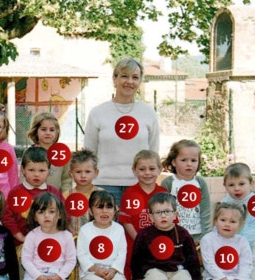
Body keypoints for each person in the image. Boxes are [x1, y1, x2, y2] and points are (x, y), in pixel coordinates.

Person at [83, 58, 160, 205]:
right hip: (105, 186)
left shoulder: (148, 112)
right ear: (114, 79)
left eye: (135, 77)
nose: (129, 81)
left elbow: (153, 153)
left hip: (140, 185)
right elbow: (89, 154)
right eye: (124, 76)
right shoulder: (98, 113)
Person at [1, 146, 66, 246]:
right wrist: (21, 237)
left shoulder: (54, 192)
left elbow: (65, 215)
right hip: (21, 243)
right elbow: (7, 218)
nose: (36, 174)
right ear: (23, 170)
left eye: (41, 170)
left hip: (49, 241)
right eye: (31, 170)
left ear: (49, 170)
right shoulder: (16, 193)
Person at [118, 150, 167, 280]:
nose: (147, 173)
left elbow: (170, 221)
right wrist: (141, 241)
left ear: (160, 169)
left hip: (158, 246)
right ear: (134, 170)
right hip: (135, 245)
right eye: (142, 169)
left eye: (151, 168)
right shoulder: (130, 193)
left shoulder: (163, 193)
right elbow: (126, 221)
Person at [221, 163, 255, 280]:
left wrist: (241, 242)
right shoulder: (225, 202)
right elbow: (218, 222)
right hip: (230, 243)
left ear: (251, 184)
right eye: (231, 185)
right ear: (225, 186)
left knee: (252, 268)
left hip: (251, 244)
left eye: (241, 184)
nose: (236, 188)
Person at [161, 139, 211, 243]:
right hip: (174, 234)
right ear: (174, 162)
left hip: (197, 235)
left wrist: (205, 234)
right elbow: (163, 208)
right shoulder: (168, 182)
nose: (189, 164)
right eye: (184, 160)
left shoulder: (200, 183)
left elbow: (205, 209)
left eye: (193, 160)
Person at [27, 112, 72, 192]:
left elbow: (66, 181)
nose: (48, 133)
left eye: (52, 130)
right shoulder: (29, 152)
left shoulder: (62, 153)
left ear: (57, 132)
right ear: (36, 131)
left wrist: (65, 198)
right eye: (43, 129)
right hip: (34, 200)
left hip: (56, 200)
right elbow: (23, 179)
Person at [62, 149, 102, 235]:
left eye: (87, 172)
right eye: (78, 172)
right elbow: (61, 218)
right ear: (71, 174)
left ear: (96, 172)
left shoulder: (102, 194)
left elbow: (111, 216)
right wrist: (71, 230)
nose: (83, 176)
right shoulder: (65, 196)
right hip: (73, 239)